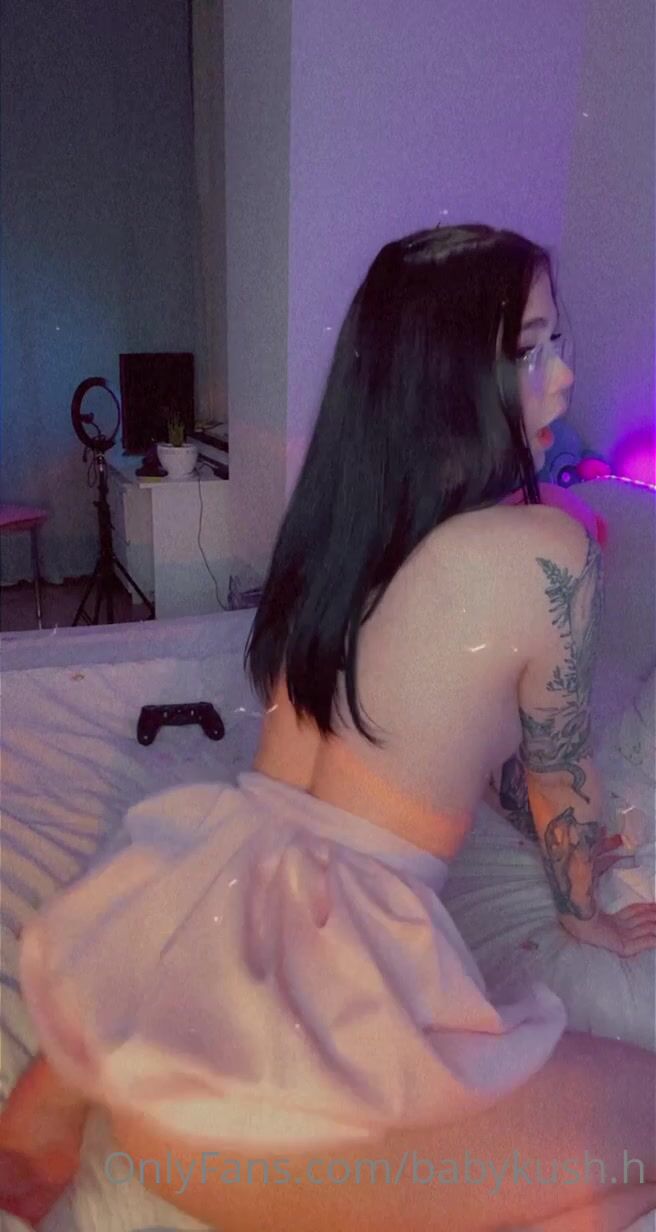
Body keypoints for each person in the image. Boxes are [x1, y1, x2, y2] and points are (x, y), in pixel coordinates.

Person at [1, 224, 655, 1232]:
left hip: (182, 953)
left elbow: (449, 734)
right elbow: (556, 772)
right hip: (286, 1081)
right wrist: (588, 917)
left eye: (556, 341)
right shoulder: (547, 546)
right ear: (444, 380)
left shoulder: (343, 530)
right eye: (530, 351)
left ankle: (73, 1081)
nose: (565, 377)